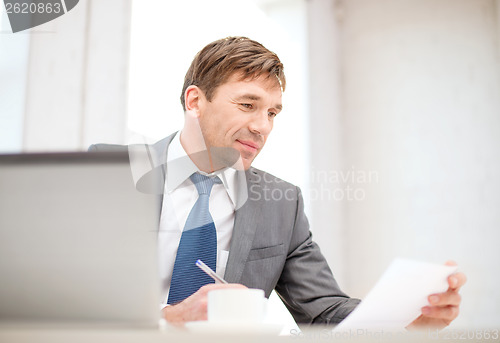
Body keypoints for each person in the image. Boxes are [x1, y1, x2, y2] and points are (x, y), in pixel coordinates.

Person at [90, 36, 466, 327]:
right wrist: (166, 319)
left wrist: (401, 320)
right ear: (194, 102)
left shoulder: (281, 203)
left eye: (272, 112)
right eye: (248, 105)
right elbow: (54, 294)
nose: (263, 126)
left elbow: (322, 310)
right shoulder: (105, 172)